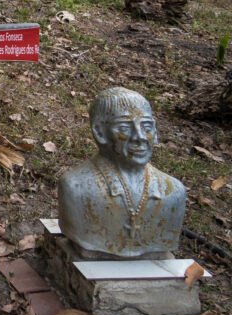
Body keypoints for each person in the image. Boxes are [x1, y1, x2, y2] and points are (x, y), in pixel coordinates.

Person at [58, 87, 186, 258]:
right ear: (99, 132)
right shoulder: (76, 187)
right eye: (125, 128)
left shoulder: (174, 192)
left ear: (155, 132)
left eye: (146, 126)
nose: (139, 137)